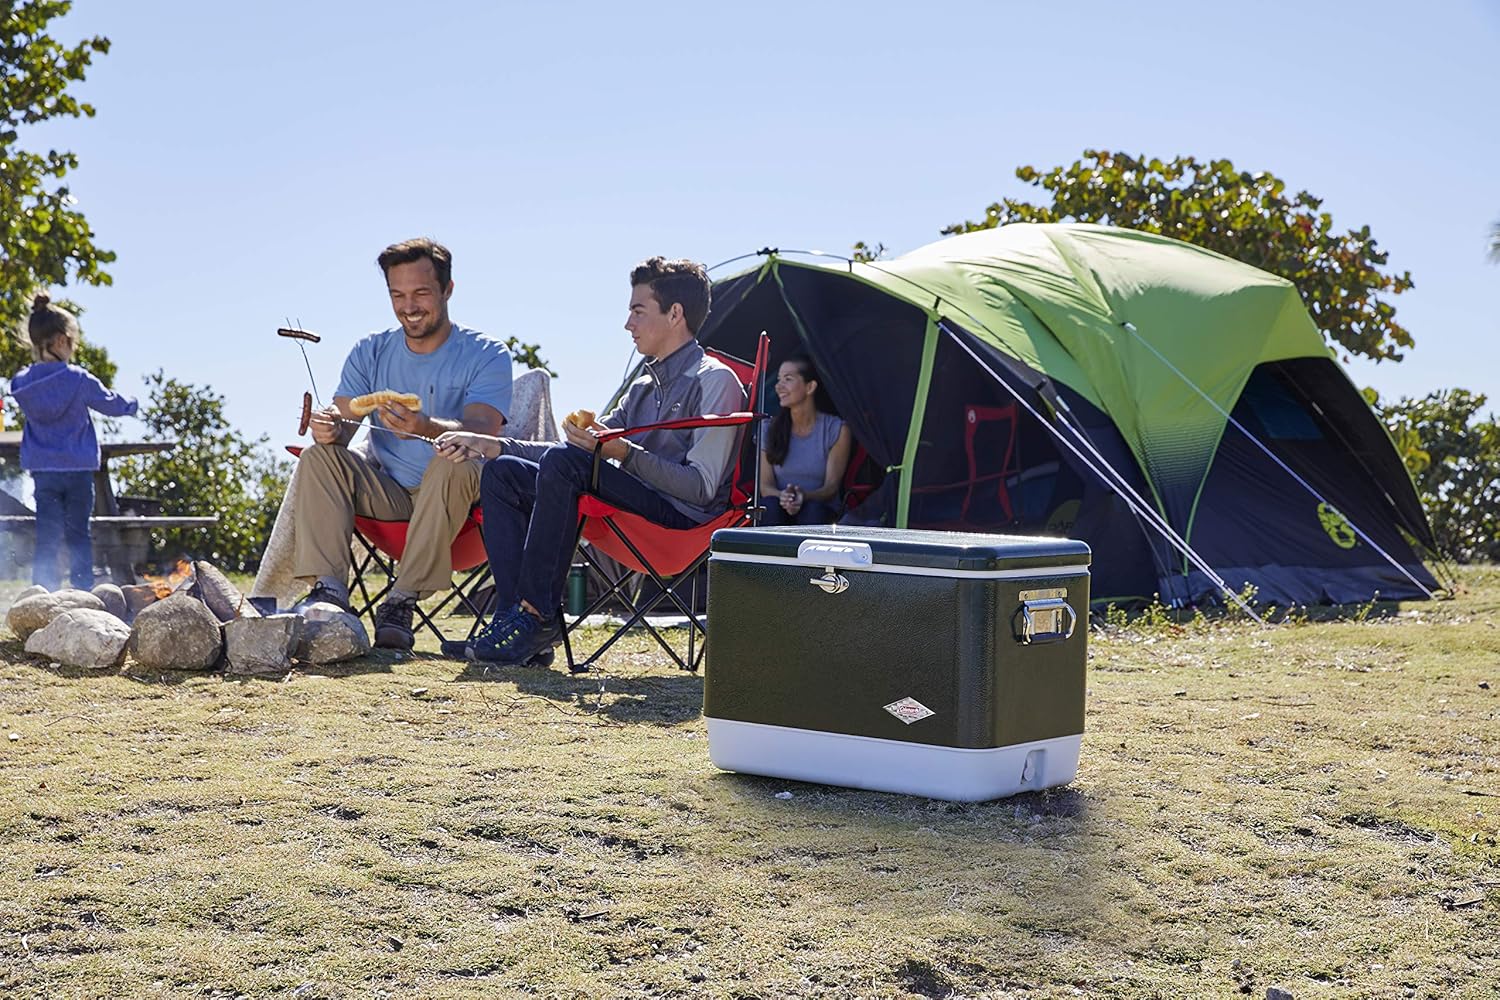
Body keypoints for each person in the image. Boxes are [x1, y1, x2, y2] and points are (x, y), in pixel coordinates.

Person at [431, 256, 743, 666]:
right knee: (503, 473)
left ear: (675, 314)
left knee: (566, 464)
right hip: (635, 506)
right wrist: (490, 444)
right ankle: (513, 621)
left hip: (681, 520)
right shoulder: (643, 388)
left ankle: (537, 617)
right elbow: (569, 455)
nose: (627, 324)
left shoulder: (715, 380)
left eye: (638, 311)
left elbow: (701, 489)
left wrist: (624, 453)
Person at [292, 237, 512, 649]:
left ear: (448, 289)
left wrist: (425, 426)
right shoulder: (370, 351)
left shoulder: (486, 353)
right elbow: (344, 422)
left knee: (454, 458)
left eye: (421, 293)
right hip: (389, 497)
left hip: (460, 506)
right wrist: (329, 428)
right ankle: (328, 594)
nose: (409, 306)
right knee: (319, 457)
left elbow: (482, 432)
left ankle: (400, 600)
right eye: (397, 295)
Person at [10, 294, 139, 591]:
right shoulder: (78, 380)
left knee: (48, 535)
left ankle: (43, 592)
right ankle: (82, 592)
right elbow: (110, 403)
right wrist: (131, 404)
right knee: (79, 534)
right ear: (60, 341)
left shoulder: (22, 384)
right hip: (78, 469)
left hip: (43, 471)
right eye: (72, 341)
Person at [758, 355, 852, 525]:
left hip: (819, 510)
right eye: (779, 379)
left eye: (788, 379)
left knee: (813, 510)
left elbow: (831, 488)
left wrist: (804, 496)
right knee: (769, 507)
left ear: (810, 387)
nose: (779, 386)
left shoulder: (836, 429)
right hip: (779, 507)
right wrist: (784, 497)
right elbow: (765, 486)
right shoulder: (768, 428)